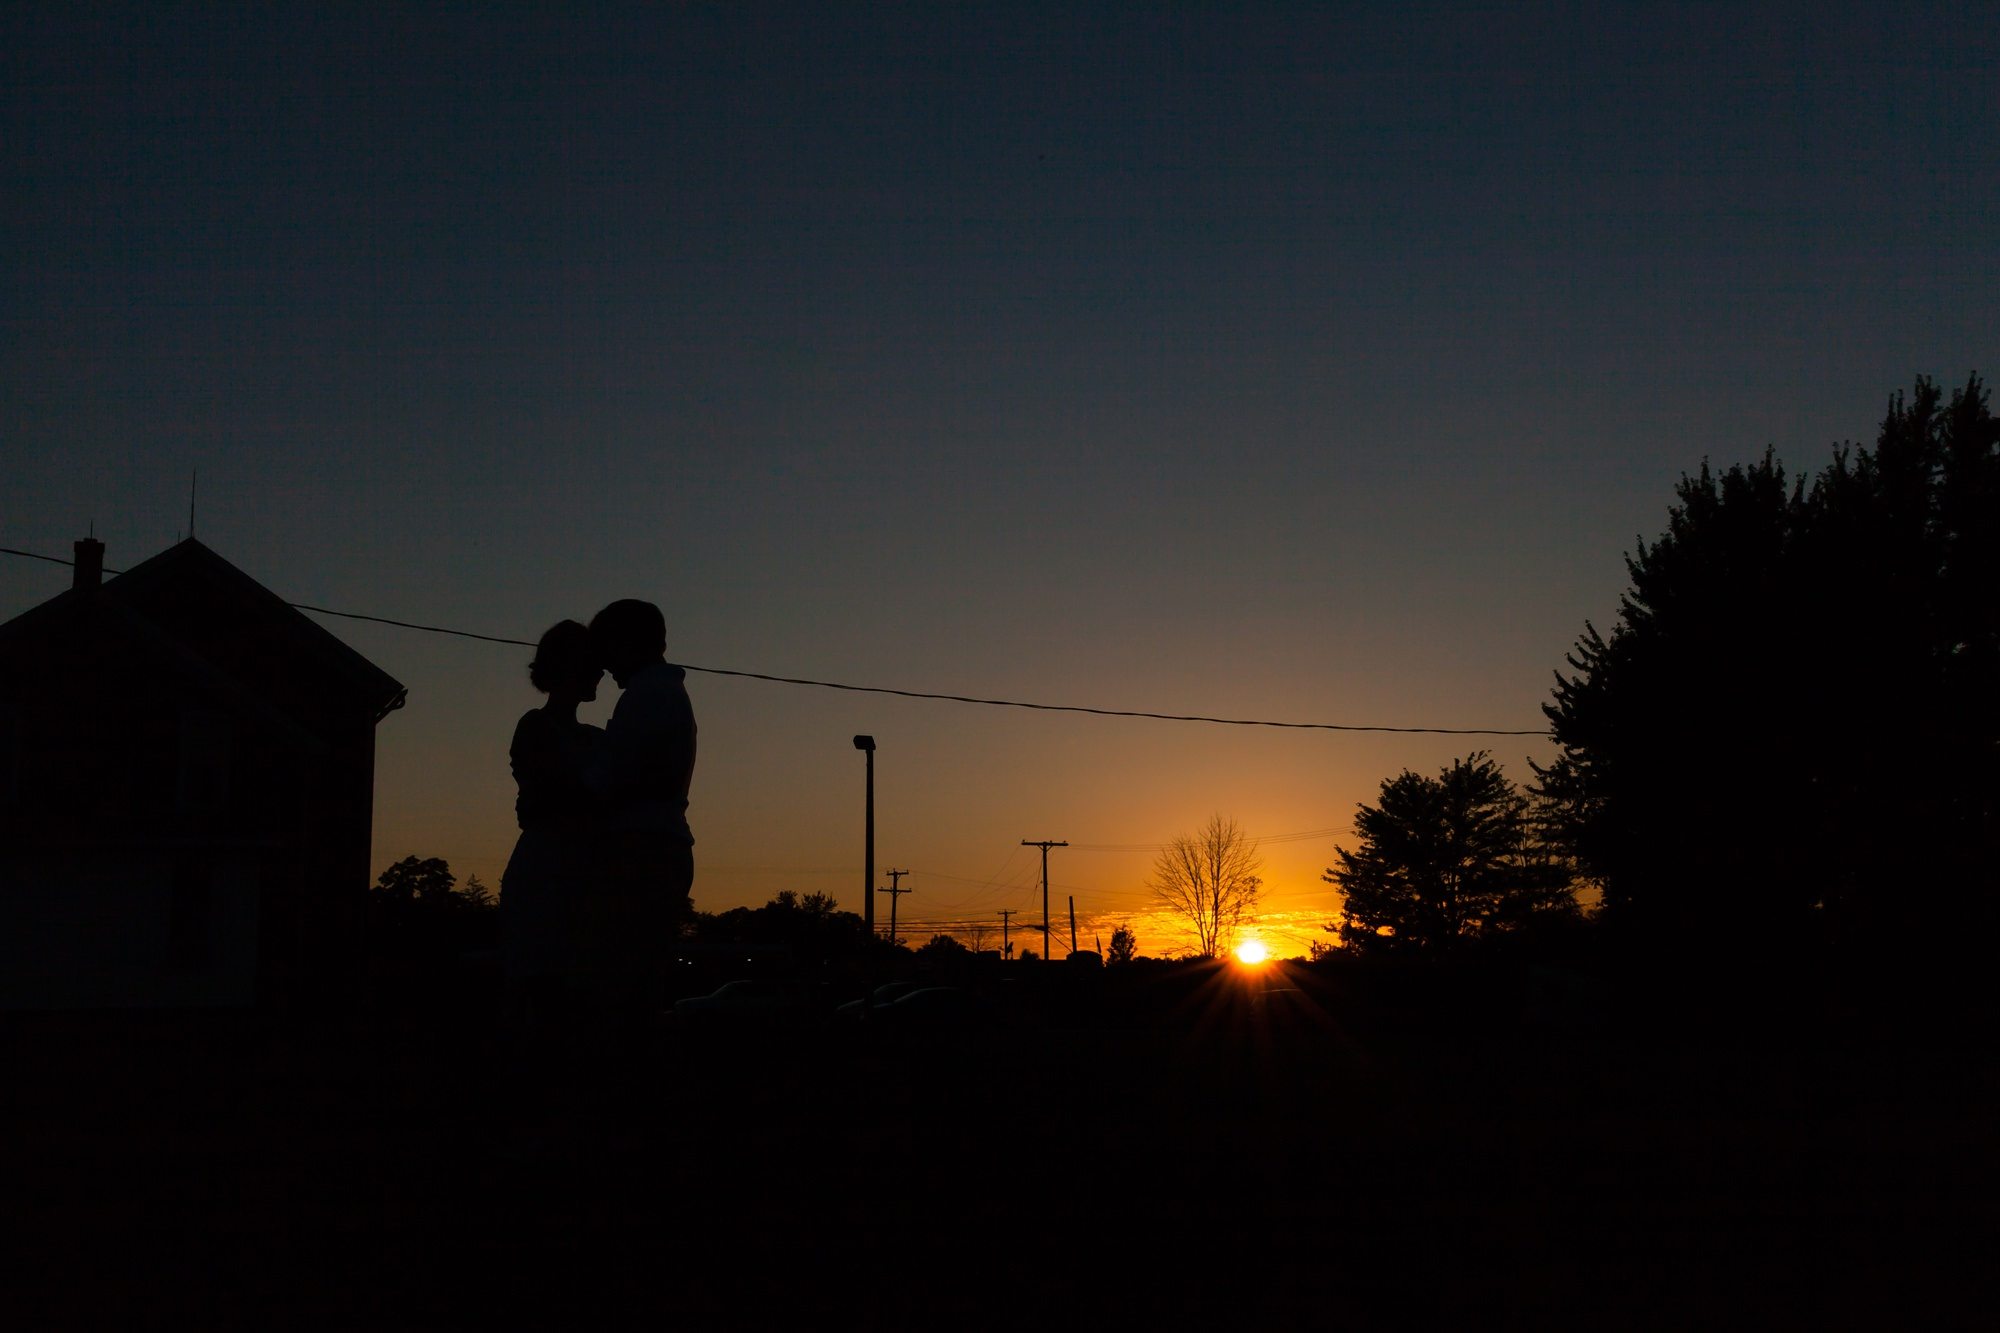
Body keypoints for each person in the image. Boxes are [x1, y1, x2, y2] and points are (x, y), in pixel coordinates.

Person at [581, 598, 697, 1017]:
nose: (604, 665)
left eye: (606, 649)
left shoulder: (648, 696)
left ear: (627, 644)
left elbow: (612, 780)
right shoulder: (662, 692)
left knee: (621, 987)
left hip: (641, 851)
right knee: (638, 980)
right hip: (656, 847)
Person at [500, 620, 606, 1020]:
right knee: (542, 989)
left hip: (582, 874)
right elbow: (547, 799)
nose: (600, 673)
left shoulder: (597, 738)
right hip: (546, 873)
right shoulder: (535, 725)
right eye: (592, 663)